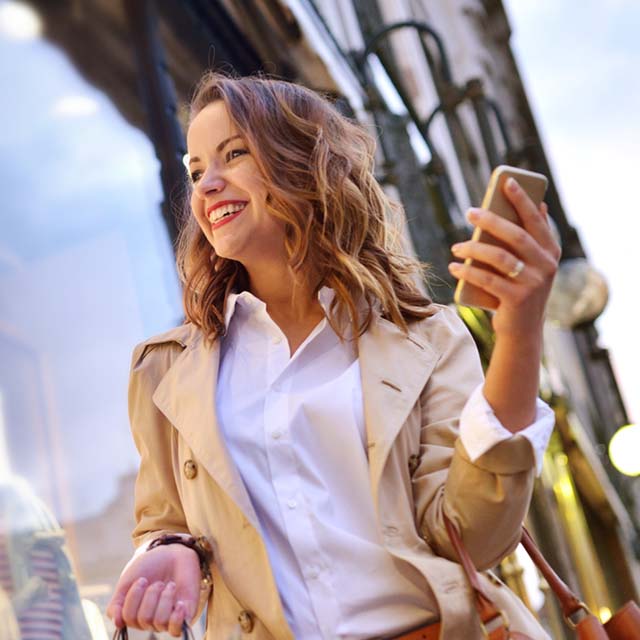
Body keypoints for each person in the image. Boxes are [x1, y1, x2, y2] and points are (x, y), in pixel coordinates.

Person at [106, 71, 559, 639]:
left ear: (303, 162)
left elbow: (472, 533)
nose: (206, 186)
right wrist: (168, 551)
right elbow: (163, 521)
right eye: (195, 171)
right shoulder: (163, 370)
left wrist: (519, 333)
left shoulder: (426, 338)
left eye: (233, 154)